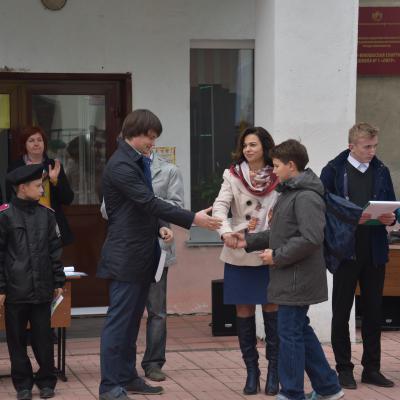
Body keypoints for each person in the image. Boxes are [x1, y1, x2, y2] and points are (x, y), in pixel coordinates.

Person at [97, 109, 222, 400]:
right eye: (150, 137)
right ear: (134, 133)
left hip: (141, 253)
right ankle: (109, 385)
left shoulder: (136, 160)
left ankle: (127, 377)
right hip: (126, 256)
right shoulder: (121, 165)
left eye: (155, 138)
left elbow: (139, 209)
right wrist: (193, 218)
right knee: (119, 322)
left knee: (131, 322)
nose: (153, 143)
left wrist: (160, 227)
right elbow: (148, 202)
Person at [231, 140, 343, 400]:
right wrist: (248, 241)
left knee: (289, 335)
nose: (274, 171)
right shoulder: (291, 193)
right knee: (299, 330)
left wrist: (277, 256)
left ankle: (292, 393)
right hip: (290, 276)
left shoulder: (306, 197)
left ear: (291, 166)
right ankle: (328, 387)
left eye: (277, 166)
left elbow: (311, 238)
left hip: (297, 278)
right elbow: (282, 233)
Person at [320, 122, 396, 389]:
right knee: (341, 311)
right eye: (367, 147)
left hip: (374, 249)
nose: (372, 151)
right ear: (351, 146)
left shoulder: (381, 170)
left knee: (374, 311)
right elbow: (324, 204)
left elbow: (393, 204)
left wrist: (391, 218)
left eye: (374, 146)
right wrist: (353, 216)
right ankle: (343, 369)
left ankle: (372, 369)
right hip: (345, 250)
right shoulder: (332, 170)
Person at [100, 147, 185, 382]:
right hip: (130, 251)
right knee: (127, 312)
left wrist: (148, 202)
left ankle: (154, 362)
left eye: (151, 140)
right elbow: (106, 209)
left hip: (159, 246)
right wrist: (139, 201)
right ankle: (123, 372)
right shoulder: (122, 170)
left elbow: (176, 207)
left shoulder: (169, 170)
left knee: (157, 310)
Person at [212, 127, 280, 396]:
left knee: (272, 310)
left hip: (270, 249)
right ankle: (252, 371)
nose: (248, 149)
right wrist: (225, 231)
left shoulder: (278, 174)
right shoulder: (232, 175)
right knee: (244, 311)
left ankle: (274, 370)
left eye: (253, 144)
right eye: (245, 145)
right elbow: (219, 207)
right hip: (240, 249)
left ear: (265, 147)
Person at [0, 164, 66, 400]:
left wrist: (58, 280)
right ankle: (23, 384)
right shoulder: (5, 216)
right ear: (22, 187)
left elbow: (55, 251)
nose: (42, 190)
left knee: (43, 339)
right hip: (15, 291)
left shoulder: (46, 215)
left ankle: (46, 381)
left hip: (42, 289)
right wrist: (1, 287)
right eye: (38, 186)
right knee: (16, 341)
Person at [7, 126, 74, 246]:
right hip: (24, 225)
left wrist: (54, 181)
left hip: (51, 225)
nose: (36, 144)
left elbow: (68, 199)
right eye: (31, 140)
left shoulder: (53, 165)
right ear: (24, 144)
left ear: (44, 143)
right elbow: (10, 199)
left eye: (39, 140)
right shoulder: (15, 167)